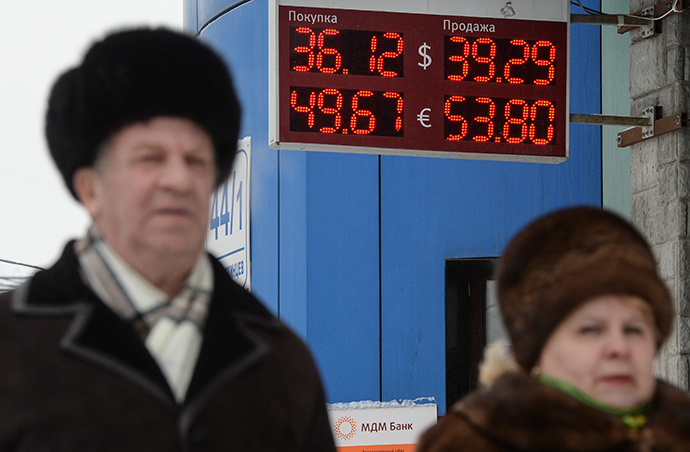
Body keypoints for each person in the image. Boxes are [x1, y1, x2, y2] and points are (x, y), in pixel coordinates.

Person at [0, 28, 336, 451]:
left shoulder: (282, 363)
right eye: (150, 158)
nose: (179, 179)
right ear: (90, 188)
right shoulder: (11, 345)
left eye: (196, 159)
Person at [418, 206, 690, 452]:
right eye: (590, 329)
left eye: (634, 329)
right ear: (537, 350)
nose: (620, 347)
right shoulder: (470, 443)